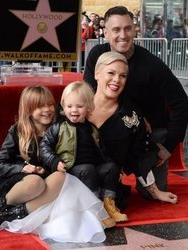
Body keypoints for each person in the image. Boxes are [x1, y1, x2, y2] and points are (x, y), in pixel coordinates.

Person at [0, 85, 108, 243]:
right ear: (28, 110)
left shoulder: (60, 127)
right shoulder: (18, 130)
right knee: (35, 182)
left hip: (46, 179)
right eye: (40, 106)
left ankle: (13, 214)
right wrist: (22, 168)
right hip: (18, 179)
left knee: (60, 177)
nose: (47, 110)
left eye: (50, 104)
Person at [83, 6, 188, 198]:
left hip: (149, 134)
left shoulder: (153, 66)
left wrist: (168, 145)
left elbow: (182, 103)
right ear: (105, 32)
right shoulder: (97, 55)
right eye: (116, 29)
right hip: (112, 127)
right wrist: (134, 113)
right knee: (97, 191)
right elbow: (90, 96)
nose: (123, 35)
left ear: (135, 30)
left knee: (151, 195)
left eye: (128, 28)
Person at [88, 51, 178, 205]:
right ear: (97, 73)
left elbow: (138, 157)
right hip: (74, 177)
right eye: (111, 73)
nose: (117, 80)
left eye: (122, 76)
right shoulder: (76, 105)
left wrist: (155, 192)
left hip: (107, 184)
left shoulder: (132, 117)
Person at [40, 81, 127, 226]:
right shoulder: (59, 127)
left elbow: (102, 151)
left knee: (111, 167)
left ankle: (108, 204)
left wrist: (112, 167)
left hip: (92, 169)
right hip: (71, 169)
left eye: (79, 106)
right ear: (63, 106)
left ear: (88, 107)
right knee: (87, 169)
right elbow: (45, 146)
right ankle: (93, 209)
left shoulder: (92, 129)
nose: (74, 110)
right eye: (69, 106)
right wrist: (54, 161)